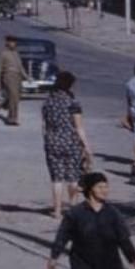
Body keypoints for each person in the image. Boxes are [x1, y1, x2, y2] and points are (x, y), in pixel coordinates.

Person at [47, 172, 135, 269]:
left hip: (110, 264)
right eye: (100, 187)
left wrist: (134, 259)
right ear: (90, 189)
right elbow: (62, 236)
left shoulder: (112, 213)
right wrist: (54, 257)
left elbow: (123, 239)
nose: (105, 190)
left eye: (106, 186)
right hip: (83, 265)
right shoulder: (75, 214)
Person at [42, 71, 92, 219]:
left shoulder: (48, 102)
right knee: (73, 177)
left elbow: (44, 126)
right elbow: (79, 127)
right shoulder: (73, 103)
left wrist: (47, 140)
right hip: (71, 143)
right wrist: (87, 147)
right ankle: (73, 208)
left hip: (52, 142)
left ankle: (57, 211)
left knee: (57, 179)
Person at [0, 35, 28, 125]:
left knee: (15, 97)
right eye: (11, 41)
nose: (13, 43)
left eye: (14, 42)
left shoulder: (17, 54)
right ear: (7, 43)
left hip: (17, 77)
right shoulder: (3, 54)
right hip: (8, 76)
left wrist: (27, 77)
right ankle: (12, 118)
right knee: (13, 96)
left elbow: (20, 67)